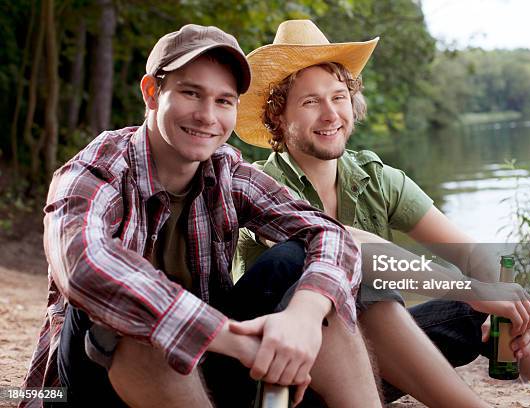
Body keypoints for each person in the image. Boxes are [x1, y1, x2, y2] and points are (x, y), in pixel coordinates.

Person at [233, 19, 530, 406]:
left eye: (339, 96)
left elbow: (466, 251)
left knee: (481, 310)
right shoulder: (262, 186)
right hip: (292, 373)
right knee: (359, 284)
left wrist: (505, 303)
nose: (331, 114)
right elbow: (348, 245)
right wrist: (473, 289)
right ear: (277, 116)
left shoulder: (374, 177)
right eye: (310, 102)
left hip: (378, 359)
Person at [21, 24, 384, 408]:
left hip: (200, 376)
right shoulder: (98, 170)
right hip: (90, 385)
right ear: (151, 93)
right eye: (191, 93)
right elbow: (84, 265)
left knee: (301, 267)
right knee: (128, 313)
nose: (207, 116)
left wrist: (305, 317)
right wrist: (235, 340)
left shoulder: (225, 170)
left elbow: (329, 233)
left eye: (224, 101)